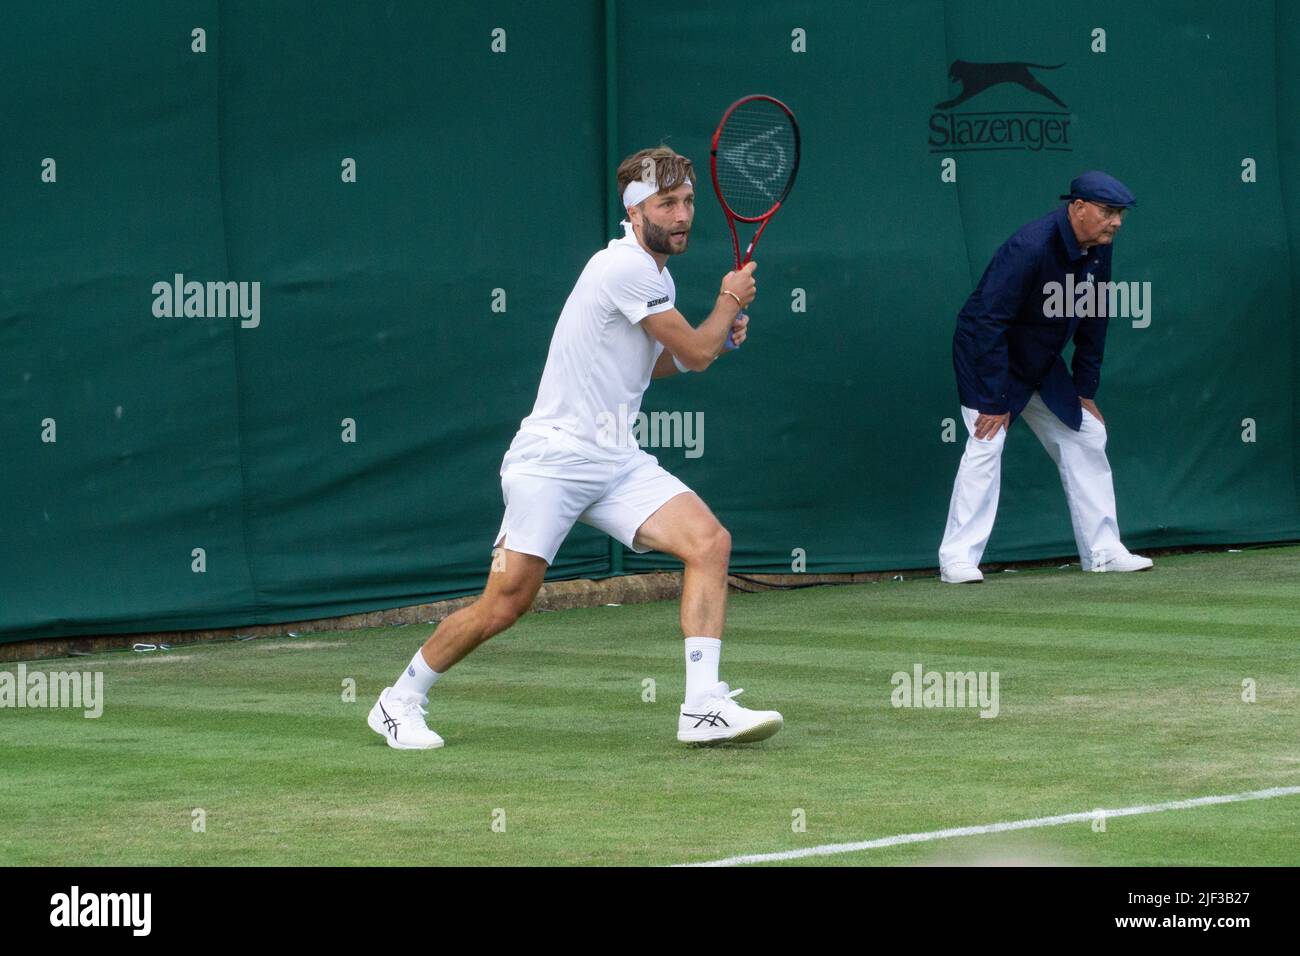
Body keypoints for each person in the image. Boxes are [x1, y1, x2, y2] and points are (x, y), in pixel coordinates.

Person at [369, 147, 783, 748]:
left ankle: (702, 707)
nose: (682, 215)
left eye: (688, 202)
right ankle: (398, 701)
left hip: (615, 461)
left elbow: (664, 363)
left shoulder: (656, 274)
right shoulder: (624, 268)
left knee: (709, 542)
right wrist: (728, 303)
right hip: (553, 461)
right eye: (667, 204)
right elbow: (694, 353)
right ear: (636, 211)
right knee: (505, 603)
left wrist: (723, 340)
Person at [938, 171, 1154, 583]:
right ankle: (957, 559)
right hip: (988, 355)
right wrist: (995, 399)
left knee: (1087, 433)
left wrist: (1085, 390)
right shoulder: (1030, 246)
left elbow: (1095, 316)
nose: (1116, 222)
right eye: (1108, 212)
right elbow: (987, 322)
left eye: (1120, 214)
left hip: (1038, 357)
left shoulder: (1098, 248)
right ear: (1078, 208)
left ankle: (1104, 551)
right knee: (987, 441)